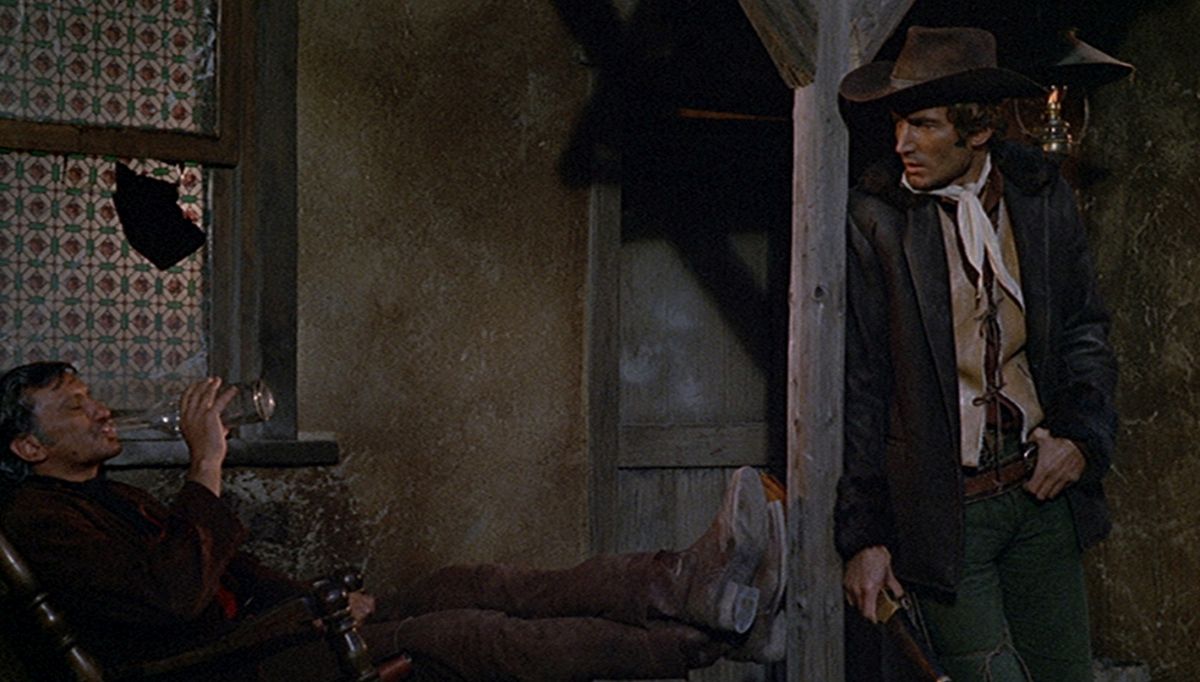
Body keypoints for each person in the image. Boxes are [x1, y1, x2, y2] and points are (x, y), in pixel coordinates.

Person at [0, 361, 786, 681]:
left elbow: (234, 572)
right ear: (28, 446)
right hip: (231, 667)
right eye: (74, 406)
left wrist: (321, 599)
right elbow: (175, 597)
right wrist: (207, 464)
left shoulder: (108, 493)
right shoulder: (39, 521)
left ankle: (690, 584)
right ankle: (707, 641)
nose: (100, 409)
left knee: (472, 581)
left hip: (280, 630)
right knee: (462, 632)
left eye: (90, 395)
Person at [834, 26, 1118, 682]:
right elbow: (863, 383)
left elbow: (1084, 330)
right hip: (946, 514)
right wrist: (865, 534)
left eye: (924, 125)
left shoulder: (1039, 197)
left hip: (1039, 495)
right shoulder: (879, 218)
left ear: (979, 130)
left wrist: (1080, 438)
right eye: (899, 122)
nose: (902, 142)